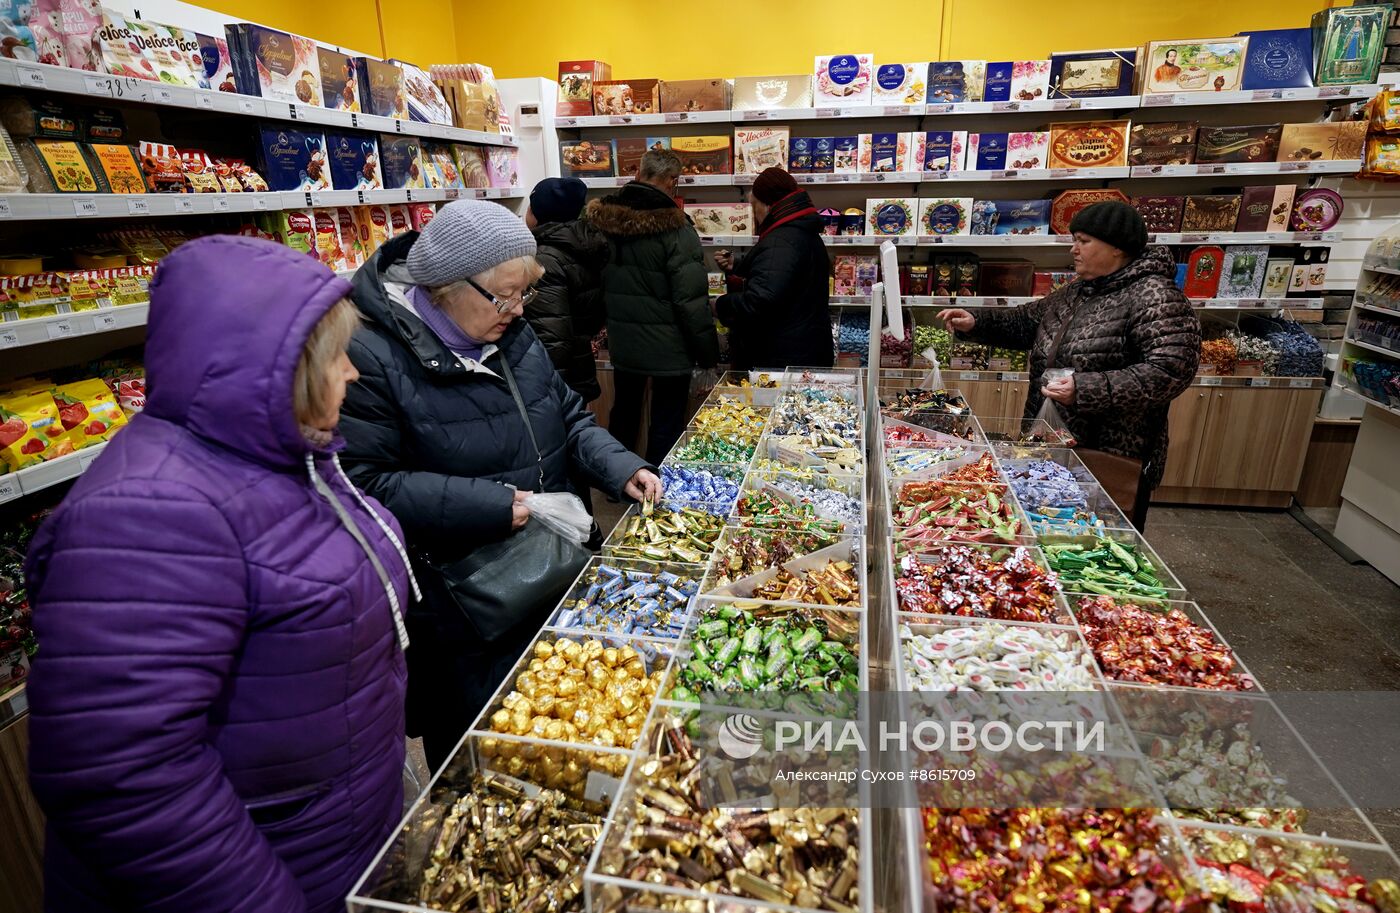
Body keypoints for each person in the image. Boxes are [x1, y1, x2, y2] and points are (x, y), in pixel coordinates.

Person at [24, 236, 415, 913]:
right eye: (334, 356)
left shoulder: (289, 454)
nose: (352, 373)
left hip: (334, 841)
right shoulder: (148, 513)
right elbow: (126, 776)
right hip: (264, 874)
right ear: (275, 369)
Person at [338, 200, 659, 768]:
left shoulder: (510, 333)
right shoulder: (369, 356)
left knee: (552, 734)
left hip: (547, 572)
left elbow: (567, 416)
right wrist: (490, 504)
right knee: (480, 759)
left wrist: (620, 466)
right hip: (462, 605)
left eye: (524, 293)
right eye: (504, 295)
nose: (516, 308)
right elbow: (364, 485)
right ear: (444, 286)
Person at [937, 200, 1200, 524]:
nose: (1074, 249)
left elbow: (1171, 369)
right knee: (1047, 533)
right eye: (1074, 239)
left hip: (1110, 455)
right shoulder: (1079, 291)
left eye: (1084, 241)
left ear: (1117, 248)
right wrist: (977, 322)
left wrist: (1085, 389)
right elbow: (1028, 321)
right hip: (1054, 445)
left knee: (1097, 546)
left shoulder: (1155, 295)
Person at [588, 148, 718, 464]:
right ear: (673, 180)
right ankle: (655, 487)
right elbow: (690, 300)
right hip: (668, 347)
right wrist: (708, 353)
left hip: (624, 341)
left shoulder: (603, 219)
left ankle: (616, 480)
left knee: (625, 411)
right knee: (666, 419)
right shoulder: (675, 227)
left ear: (638, 174)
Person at [713, 167, 833, 371]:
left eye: (754, 206)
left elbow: (760, 302)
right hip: (805, 348)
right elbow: (786, 278)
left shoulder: (782, 240)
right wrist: (740, 266)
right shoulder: (801, 231)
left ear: (768, 205)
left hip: (783, 359)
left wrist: (720, 305)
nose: (754, 214)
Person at [525, 176, 607, 404]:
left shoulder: (545, 259)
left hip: (559, 380)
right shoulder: (582, 244)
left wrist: (548, 390)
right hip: (580, 365)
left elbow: (551, 336)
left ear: (538, 213)